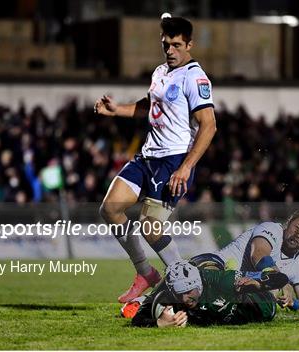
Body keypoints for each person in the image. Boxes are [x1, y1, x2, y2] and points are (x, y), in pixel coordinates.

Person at [94, 17, 217, 303]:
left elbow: (208, 125)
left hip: (173, 161)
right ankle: (146, 274)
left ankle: (186, 283)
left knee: (150, 227)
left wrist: (186, 167)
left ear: (189, 44)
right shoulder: (161, 71)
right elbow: (151, 106)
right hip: (147, 155)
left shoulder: (195, 77)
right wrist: (117, 110)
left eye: (176, 45)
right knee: (110, 209)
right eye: (166, 45)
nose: (170, 50)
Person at [190, 209, 299, 313]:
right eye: (297, 227)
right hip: (213, 264)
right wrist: (280, 281)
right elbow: (258, 254)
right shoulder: (271, 229)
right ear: (288, 222)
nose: (298, 234)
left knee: (267, 301)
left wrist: (293, 303)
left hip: (237, 289)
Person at [127, 260, 288, 327]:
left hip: (264, 305)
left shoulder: (222, 280)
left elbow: (281, 278)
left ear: (198, 283)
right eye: (179, 293)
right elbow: (138, 320)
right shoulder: (169, 289)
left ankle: (232, 264)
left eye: (189, 291)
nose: (185, 298)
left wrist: (258, 284)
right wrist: (160, 323)